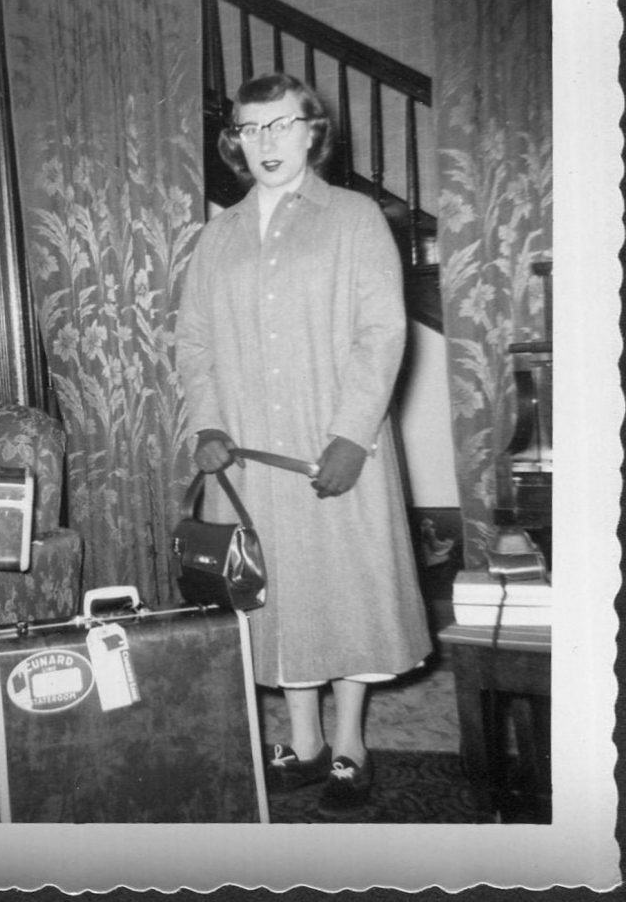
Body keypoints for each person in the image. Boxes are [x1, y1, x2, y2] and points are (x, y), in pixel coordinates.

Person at [176, 72, 432, 817]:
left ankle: (349, 743)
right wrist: (208, 423)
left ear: (313, 131)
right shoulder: (216, 236)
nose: (267, 144)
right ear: (235, 142)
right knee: (277, 592)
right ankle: (304, 741)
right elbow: (194, 344)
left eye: (281, 126)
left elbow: (383, 331)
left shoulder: (355, 218)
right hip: (250, 455)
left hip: (334, 446)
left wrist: (353, 434)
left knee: (347, 588)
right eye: (251, 130)